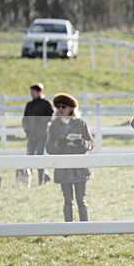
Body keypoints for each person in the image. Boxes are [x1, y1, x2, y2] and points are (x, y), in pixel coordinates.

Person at [46, 93, 94, 222]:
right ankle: (68, 226)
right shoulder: (53, 126)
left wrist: (82, 142)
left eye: (64, 107)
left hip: (80, 168)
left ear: (71, 108)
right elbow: (49, 148)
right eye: (59, 107)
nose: (61, 109)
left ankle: (85, 227)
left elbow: (91, 144)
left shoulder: (81, 123)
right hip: (64, 169)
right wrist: (58, 144)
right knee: (67, 200)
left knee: (81, 200)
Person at [22, 83, 54, 185]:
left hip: (42, 134)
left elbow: (51, 117)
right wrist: (27, 130)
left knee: (40, 156)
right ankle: (45, 176)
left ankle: (42, 180)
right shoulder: (29, 105)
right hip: (32, 134)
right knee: (30, 156)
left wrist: (40, 119)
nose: (32, 94)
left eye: (33, 92)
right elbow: (25, 118)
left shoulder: (46, 104)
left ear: (39, 92)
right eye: (31, 92)